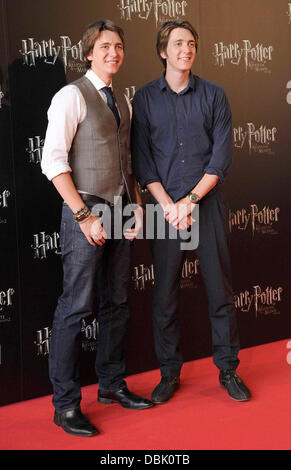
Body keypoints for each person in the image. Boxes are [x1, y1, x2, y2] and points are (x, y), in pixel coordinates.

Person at [41, 19, 153, 438]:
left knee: (118, 303)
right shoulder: (71, 95)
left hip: (123, 210)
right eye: (105, 46)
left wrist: (137, 207)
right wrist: (84, 216)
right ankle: (65, 405)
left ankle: (111, 385)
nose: (114, 53)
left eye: (119, 46)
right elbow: (53, 162)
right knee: (76, 307)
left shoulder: (122, 99)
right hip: (85, 210)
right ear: (89, 52)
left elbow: (126, 161)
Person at [131, 20, 251, 405]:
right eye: (178, 43)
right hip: (164, 209)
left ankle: (228, 368)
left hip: (206, 203)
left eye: (192, 43)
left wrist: (191, 202)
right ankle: (168, 373)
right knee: (164, 294)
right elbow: (143, 160)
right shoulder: (146, 98)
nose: (187, 48)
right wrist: (169, 206)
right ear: (163, 51)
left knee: (220, 289)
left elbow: (221, 158)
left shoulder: (215, 95)